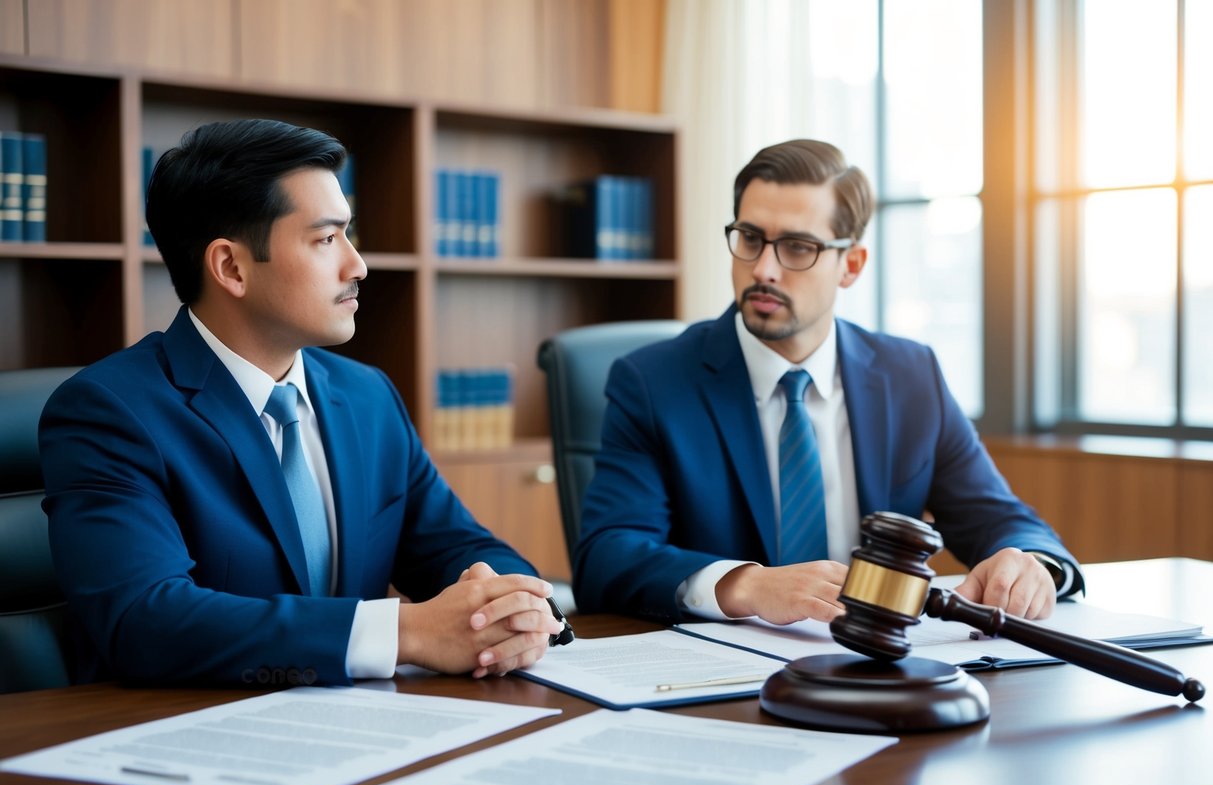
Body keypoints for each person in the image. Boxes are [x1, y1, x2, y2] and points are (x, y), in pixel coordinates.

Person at [39, 119, 563, 686]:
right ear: (231, 267)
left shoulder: (368, 396)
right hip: (191, 742)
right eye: (325, 239)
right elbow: (146, 620)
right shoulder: (108, 412)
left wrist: (519, 606)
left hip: (364, 735)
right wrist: (406, 633)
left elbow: (458, 543)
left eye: (348, 235)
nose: (357, 265)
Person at [574, 138, 1083, 627]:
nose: (764, 269)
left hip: (878, 671)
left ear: (852, 265)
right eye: (750, 239)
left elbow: (997, 517)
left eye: (798, 247)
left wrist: (1033, 566)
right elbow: (607, 556)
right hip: (722, 680)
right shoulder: (653, 381)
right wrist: (747, 586)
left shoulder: (910, 376)